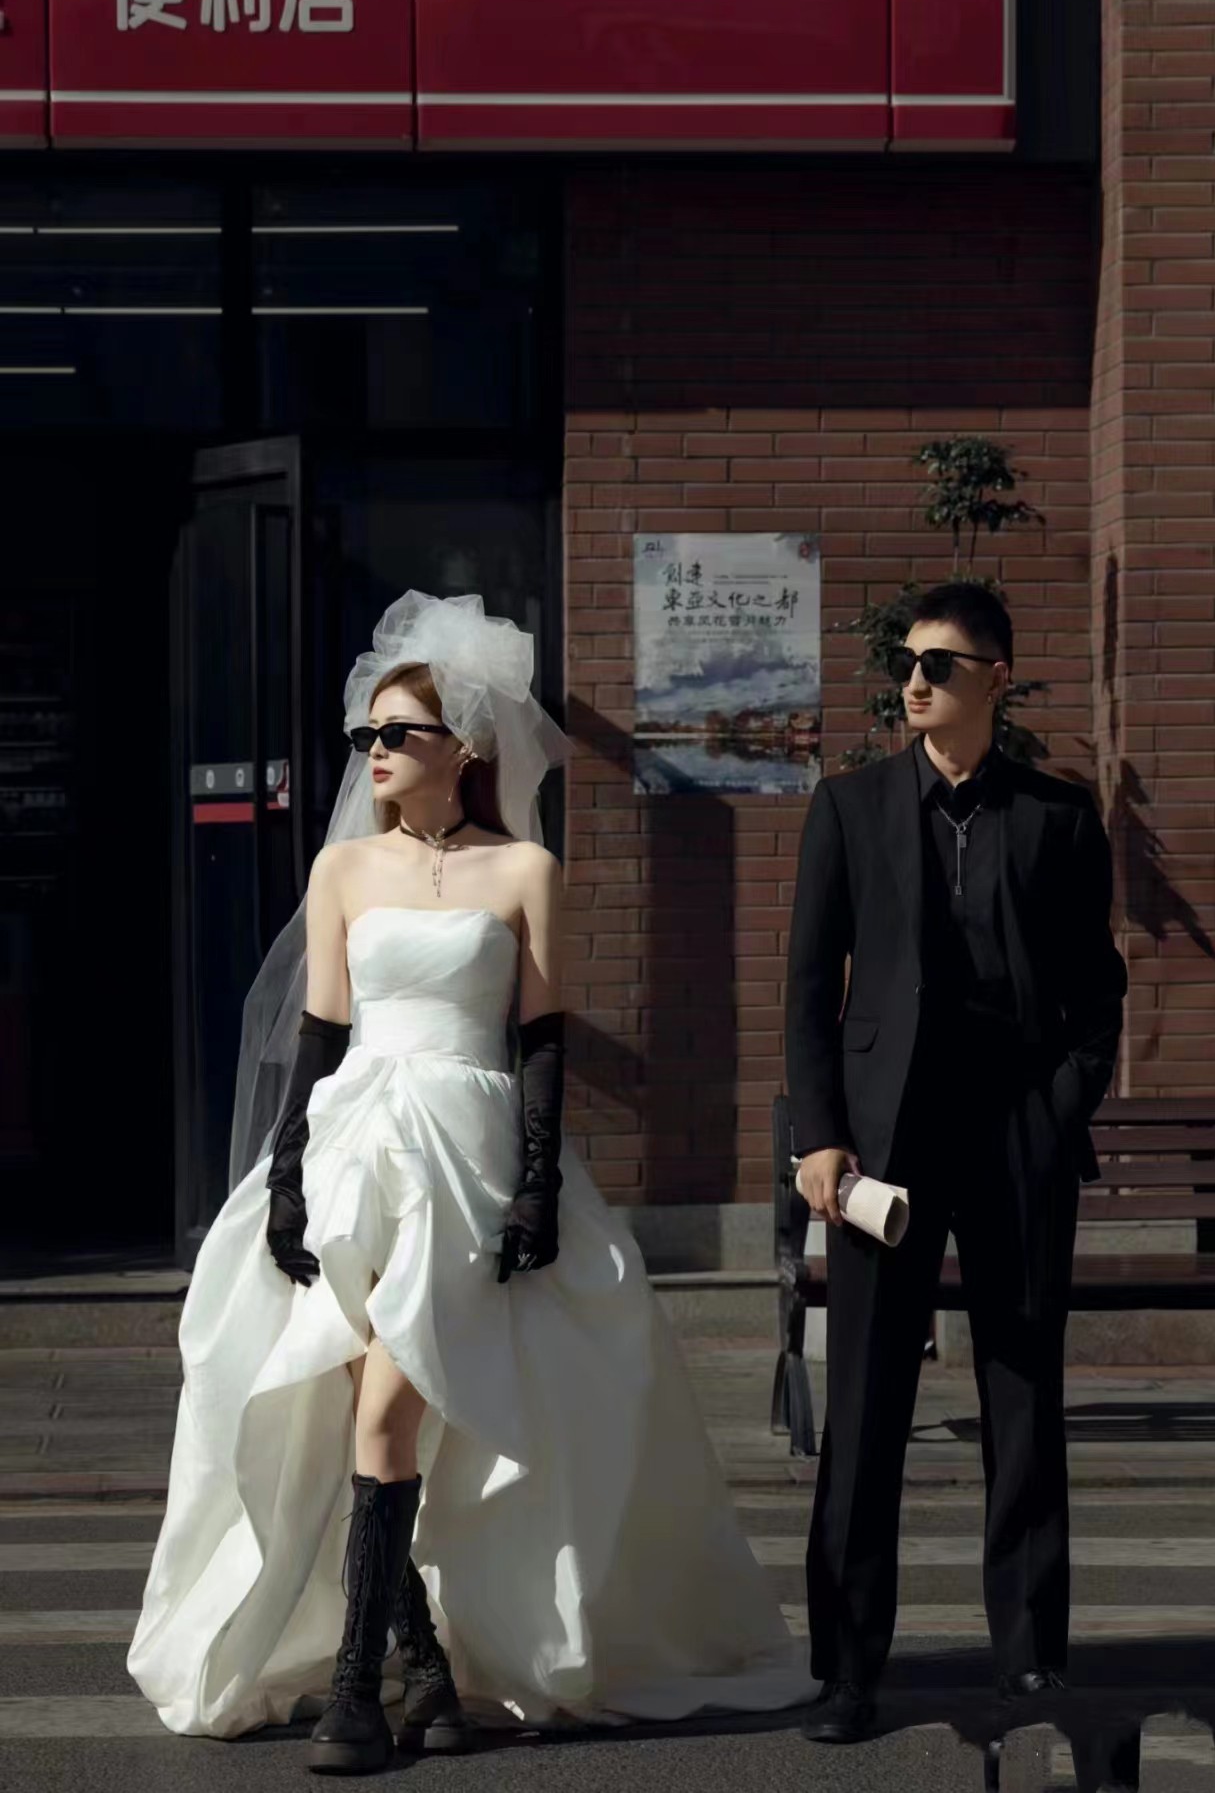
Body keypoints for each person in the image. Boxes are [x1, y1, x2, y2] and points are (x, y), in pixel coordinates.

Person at [129, 591, 812, 1772]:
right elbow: (320, 1036)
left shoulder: (526, 868)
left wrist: (536, 1183)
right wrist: (287, 1177)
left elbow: (539, 1036)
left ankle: (360, 1688)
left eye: (398, 732)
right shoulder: (343, 868)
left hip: (469, 1147)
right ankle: (425, 1671)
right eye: (367, 733)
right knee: (361, 1413)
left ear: (466, 747)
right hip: (355, 1144)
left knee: (390, 1411)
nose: (375, 750)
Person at [784, 581, 1127, 1744]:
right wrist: (819, 1133)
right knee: (863, 1401)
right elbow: (806, 989)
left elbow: (1095, 991)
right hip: (883, 1143)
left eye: (939, 662)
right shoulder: (849, 807)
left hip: (1014, 1132)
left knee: (1022, 1392)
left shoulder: (1058, 817)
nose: (915, 680)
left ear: (994, 680)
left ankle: (1028, 1658)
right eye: (907, 661)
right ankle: (845, 1668)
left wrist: (1058, 1103)